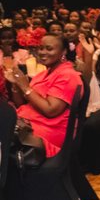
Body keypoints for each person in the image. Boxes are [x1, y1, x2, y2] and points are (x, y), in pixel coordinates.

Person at [9, 33, 83, 164]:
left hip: (48, 131)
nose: (43, 52)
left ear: (63, 51)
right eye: (41, 48)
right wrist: (16, 85)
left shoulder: (68, 75)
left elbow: (51, 110)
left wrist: (25, 86)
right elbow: (21, 103)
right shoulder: (43, 74)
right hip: (27, 123)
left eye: (49, 49)